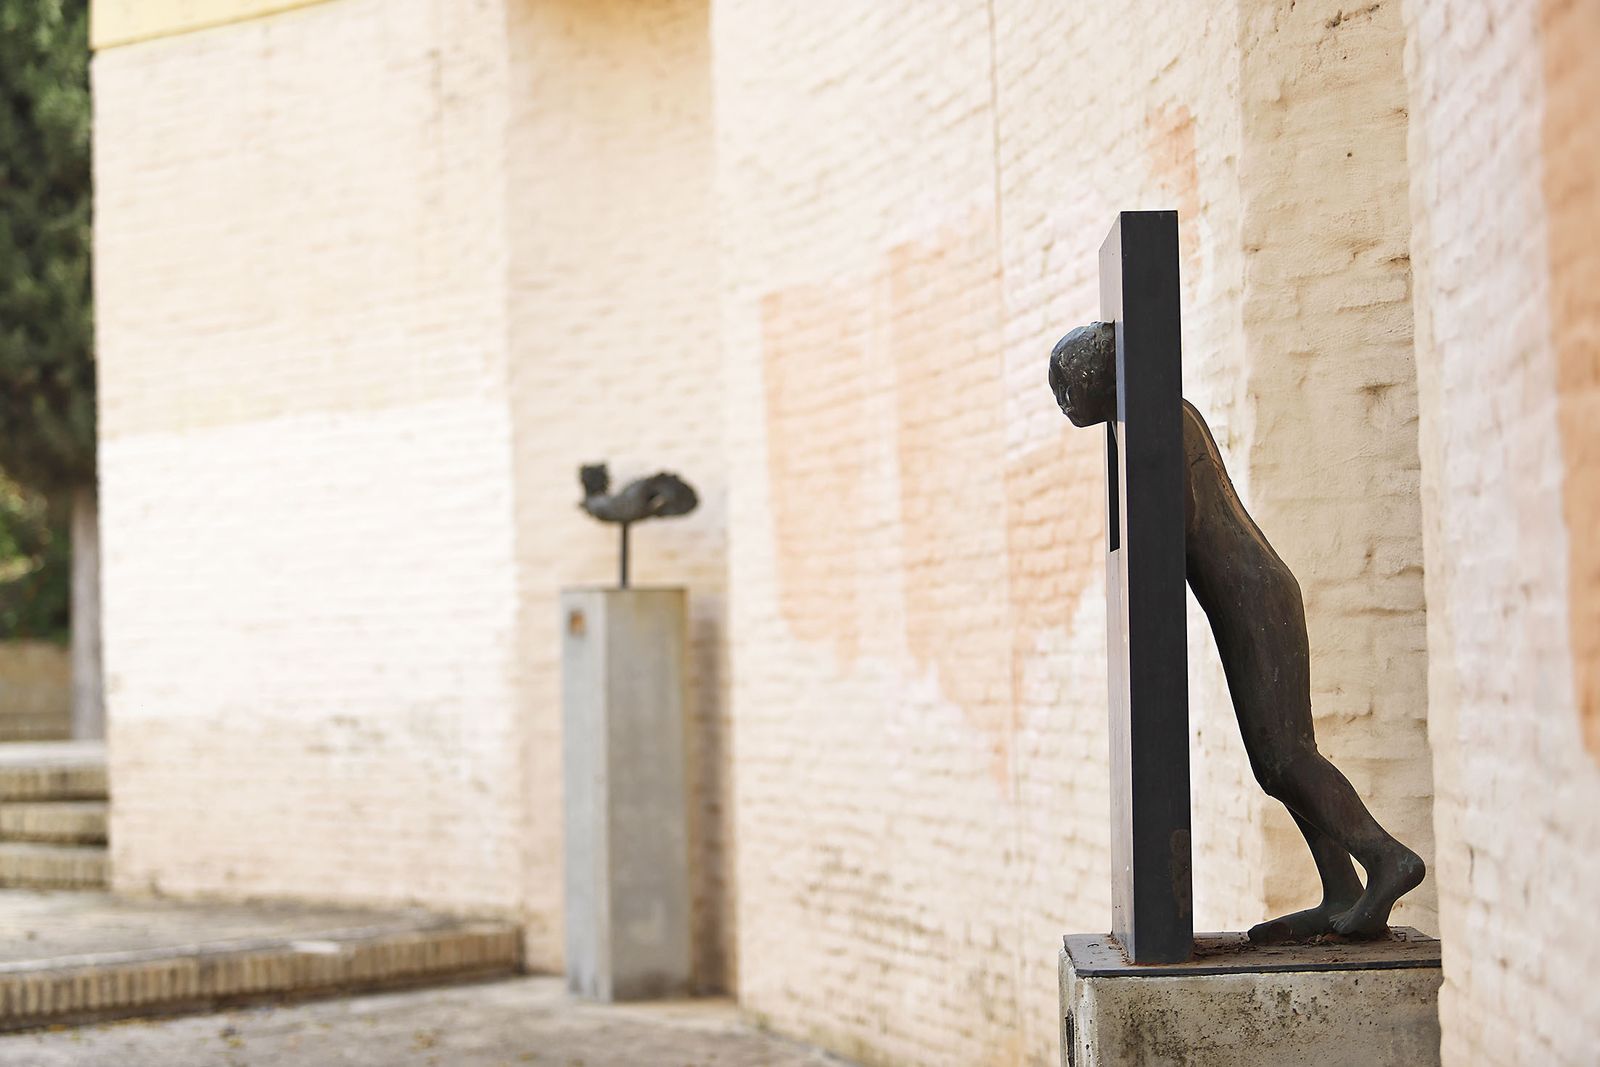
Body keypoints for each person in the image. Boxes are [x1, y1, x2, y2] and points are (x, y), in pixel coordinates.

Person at [1050, 322, 1424, 941]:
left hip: (1254, 597)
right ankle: (1340, 891)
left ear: (1099, 376)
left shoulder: (1160, 422)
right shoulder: (1157, 414)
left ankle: (1387, 858)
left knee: (1283, 757)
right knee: (1276, 759)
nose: (1064, 400)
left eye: (1068, 384)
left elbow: (1179, 523)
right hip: (1253, 593)